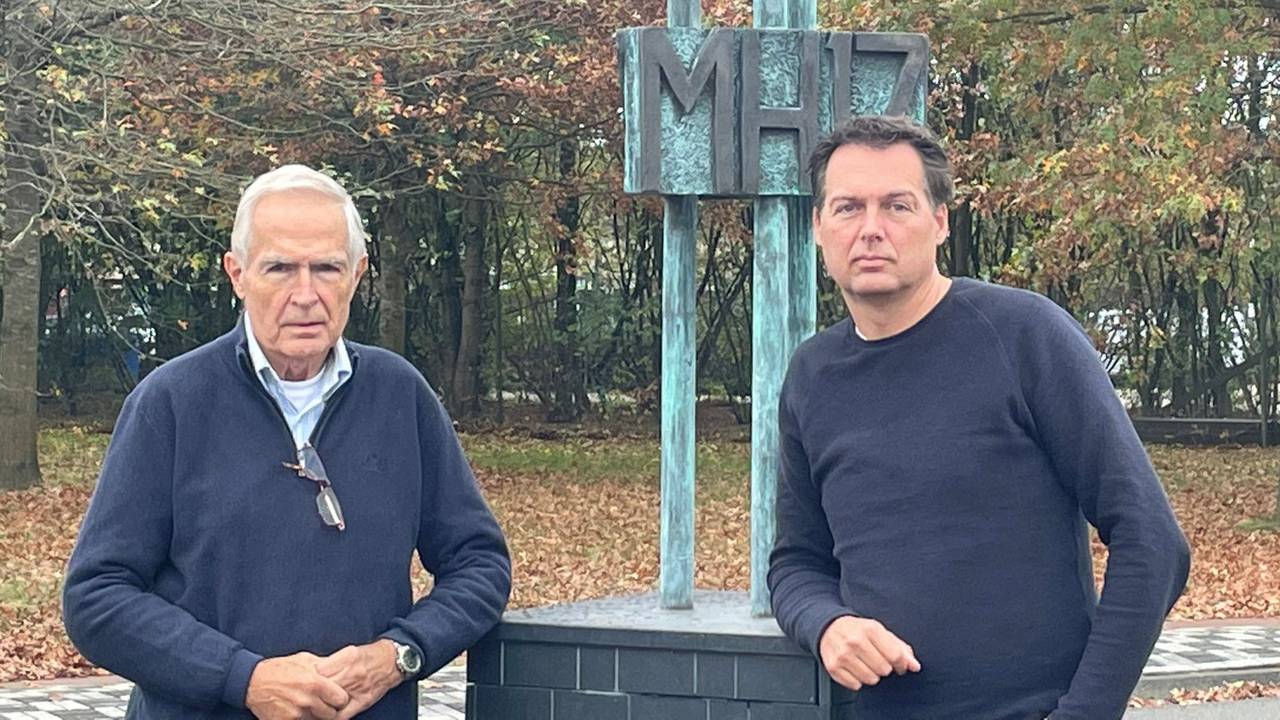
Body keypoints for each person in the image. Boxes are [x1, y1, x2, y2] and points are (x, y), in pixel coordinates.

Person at [767, 116, 1190, 720]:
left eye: (897, 205)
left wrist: (1085, 711)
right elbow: (796, 562)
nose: (871, 230)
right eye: (847, 208)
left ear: (939, 220)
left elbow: (1152, 540)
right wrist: (827, 624)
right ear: (817, 227)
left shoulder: (1024, 337)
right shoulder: (813, 375)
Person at [63, 165, 512, 720]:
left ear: (357, 273)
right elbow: (97, 599)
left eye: (326, 267)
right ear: (238, 273)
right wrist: (241, 678)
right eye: (280, 268)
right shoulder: (172, 403)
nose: (306, 294)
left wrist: (399, 654)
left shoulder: (400, 397)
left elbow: (480, 564)